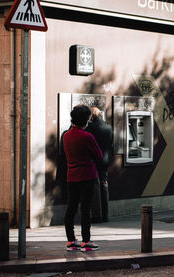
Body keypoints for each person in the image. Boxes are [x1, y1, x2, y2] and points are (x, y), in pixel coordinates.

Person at [63, 105, 102, 252]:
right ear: (85, 120)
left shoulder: (66, 135)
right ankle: (86, 241)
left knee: (71, 208)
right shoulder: (87, 136)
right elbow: (98, 155)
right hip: (87, 176)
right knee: (86, 209)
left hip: (71, 176)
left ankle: (71, 241)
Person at [86, 107, 113, 223]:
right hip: (105, 161)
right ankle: (106, 215)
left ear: (91, 116)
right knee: (104, 185)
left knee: (95, 186)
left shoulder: (90, 127)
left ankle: (97, 216)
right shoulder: (108, 127)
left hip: (93, 160)